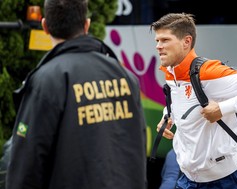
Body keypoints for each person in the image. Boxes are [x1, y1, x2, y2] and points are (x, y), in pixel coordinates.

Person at [5, 0, 147, 188]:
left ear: (45, 26)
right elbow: (138, 145)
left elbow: (26, 165)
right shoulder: (126, 77)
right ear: (87, 25)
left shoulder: (46, 80)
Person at [150, 13, 237, 189]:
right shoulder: (171, 72)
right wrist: (168, 116)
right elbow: (185, 102)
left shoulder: (209, 71)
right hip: (188, 180)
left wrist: (222, 109)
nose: (158, 46)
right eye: (157, 41)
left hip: (227, 181)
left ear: (186, 41)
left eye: (165, 40)